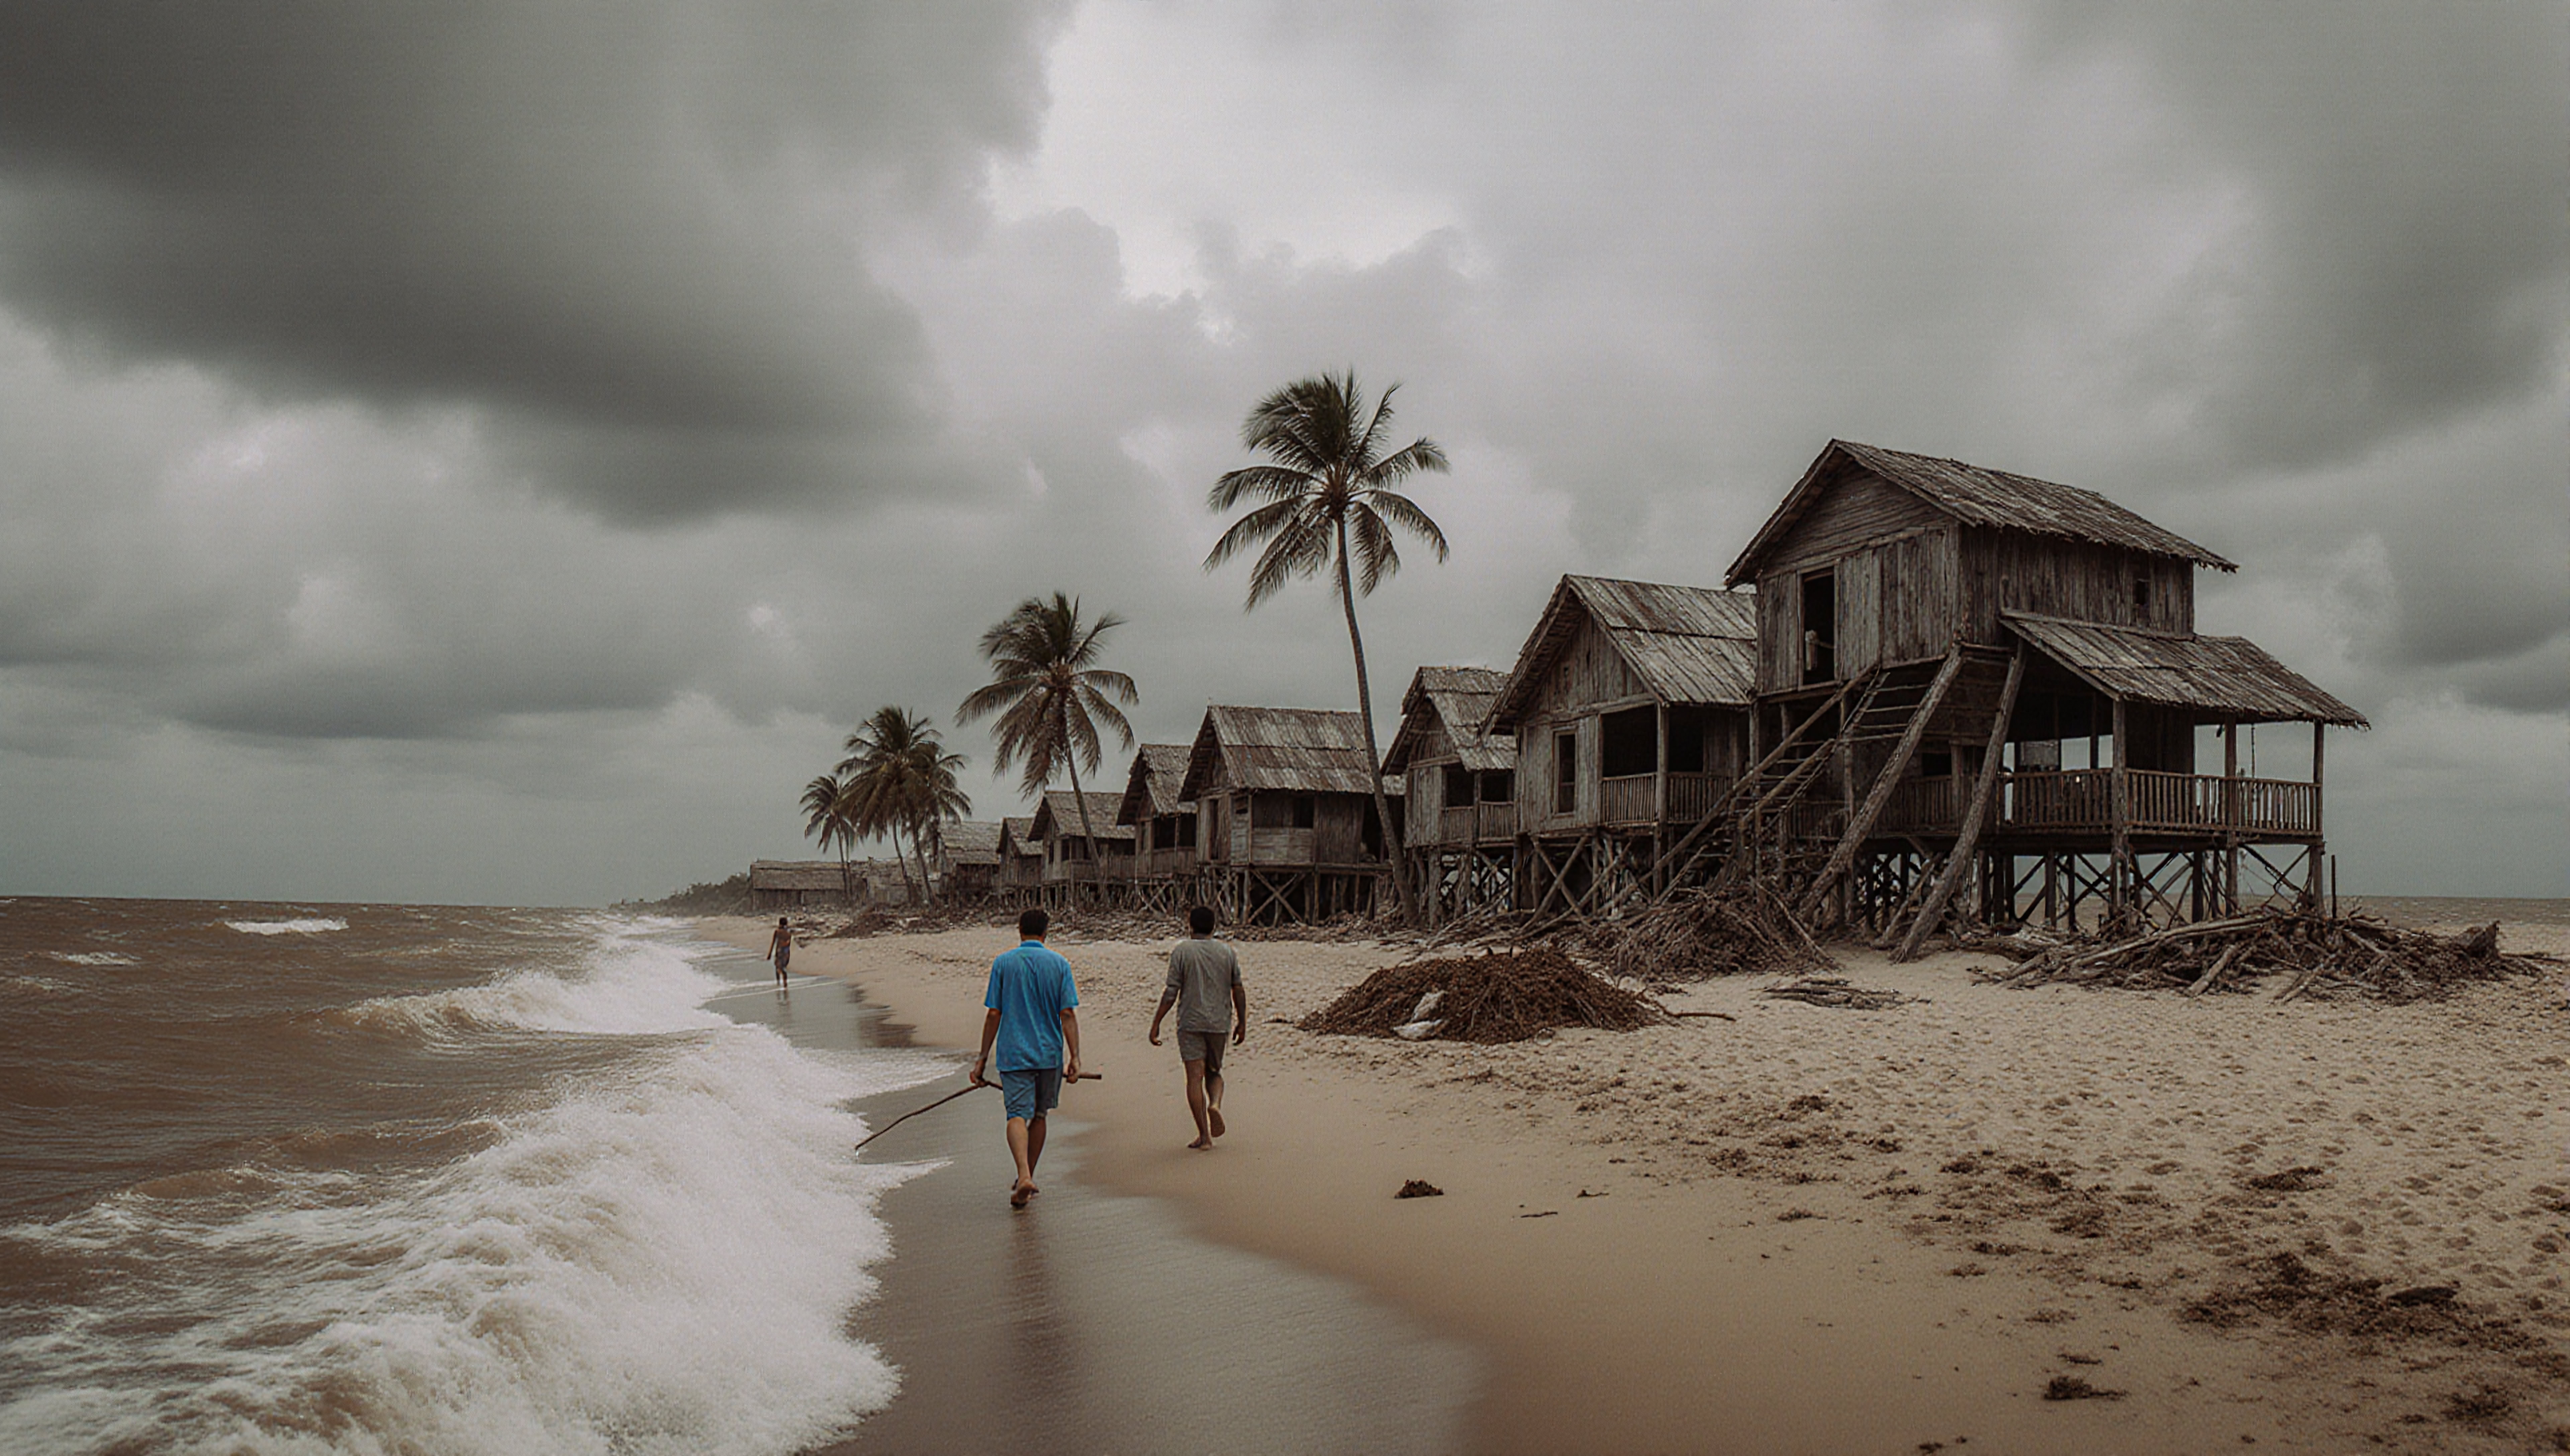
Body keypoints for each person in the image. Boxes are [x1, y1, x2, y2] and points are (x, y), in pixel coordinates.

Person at [971, 907, 1081, 1207]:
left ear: (1020, 931)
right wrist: (1075, 1058)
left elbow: (994, 1014)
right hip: (1049, 1054)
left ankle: (1023, 1176)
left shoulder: (1003, 963)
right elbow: (1067, 1014)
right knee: (1040, 1115)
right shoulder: (1059, 964)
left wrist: (982, 1058)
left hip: (1014, 1053)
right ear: (1046, 933)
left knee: (1017, 1115)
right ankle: (1027, 1176)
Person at [1147, 905, 1246, 1150]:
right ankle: (1215, 1104)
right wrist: (1242, 1021)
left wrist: (1157, 1022)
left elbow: (1171, 992)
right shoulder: (1227, 952)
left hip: (1191, 1022)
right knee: (1214, 1072)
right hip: (1219, 1023)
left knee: (1194, 1078)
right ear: (1214, 926)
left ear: (1190, 926)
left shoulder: (1182, 951)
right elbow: (1238, 989)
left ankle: (1204, 1137)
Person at [767, 916, 793, 988]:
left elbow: (774, 943)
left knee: (778, 967)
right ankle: (785, 983)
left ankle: (778, 982)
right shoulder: (789, 933)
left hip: (779, 952)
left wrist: (770, 954)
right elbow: (789, 944)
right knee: (783, 967)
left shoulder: (777, 932)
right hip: (787, 952)